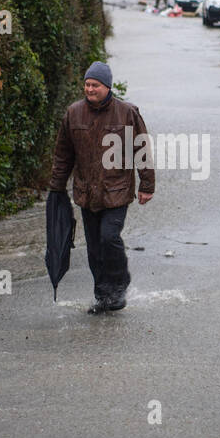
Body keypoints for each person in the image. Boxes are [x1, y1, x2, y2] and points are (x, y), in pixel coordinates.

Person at [49, 62, 155, 313]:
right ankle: (102, 296)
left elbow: (141, 149)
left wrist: (147, 185)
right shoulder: (73, 113)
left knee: (109, 237)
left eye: (94, 85)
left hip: (117, 190)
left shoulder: (127, 113)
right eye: (86, 84)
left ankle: (119, 284)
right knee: (94, 248)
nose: (89, 89)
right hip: (87, 192)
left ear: (107, 86)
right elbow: (63, 154)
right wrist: (56, 187)